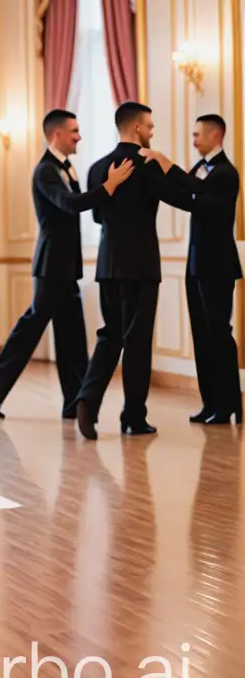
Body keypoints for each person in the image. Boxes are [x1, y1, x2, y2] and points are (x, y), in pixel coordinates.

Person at [0, 109, 133, 419]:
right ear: (57, 134)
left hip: (66, 268)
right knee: (30, 329)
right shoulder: (45, 171)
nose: (79, 136)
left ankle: (74, 401)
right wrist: (108, 186)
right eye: (74, 131)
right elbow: (70, 204)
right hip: (50, 268)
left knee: (72, 336)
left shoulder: (67, 168)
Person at [72, 102, 194, 440]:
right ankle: (134, 417)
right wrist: (169, 167)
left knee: (110, 335)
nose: (152, 132)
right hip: (141, 265)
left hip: (108, 263)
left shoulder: (97, 168)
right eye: (150, 126)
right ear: (137, 128)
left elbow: (97, 217)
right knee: (137, 342)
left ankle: (86, 399)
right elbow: (184, 199)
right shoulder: (147, 163)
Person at [154, 115, 241, 425]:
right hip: (196, 265)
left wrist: (166, 164)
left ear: (216, 134)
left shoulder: (226, 173)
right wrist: (154, 184)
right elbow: (186, 198)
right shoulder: (201, 170)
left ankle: (230, 403)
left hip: (217, 266)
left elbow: (194, 191)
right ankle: (211, 403)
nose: (193, 140)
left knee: (219, 334)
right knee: (202, 336)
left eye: (197, 134)